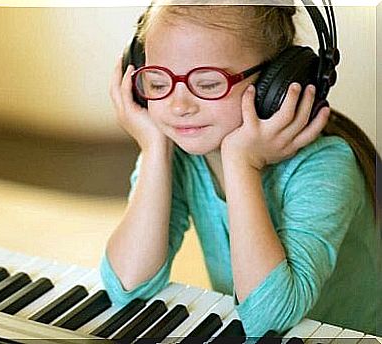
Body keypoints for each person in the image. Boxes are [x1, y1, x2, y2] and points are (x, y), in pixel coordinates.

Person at [99, 1, 381, 338]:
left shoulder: (326, 164)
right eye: (158, 84)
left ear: (275, 85)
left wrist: (241, 163)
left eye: (208, 84)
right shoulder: (181, 154)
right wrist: (154, 147)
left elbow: (269, 320)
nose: (178, 105)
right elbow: (128, 286)